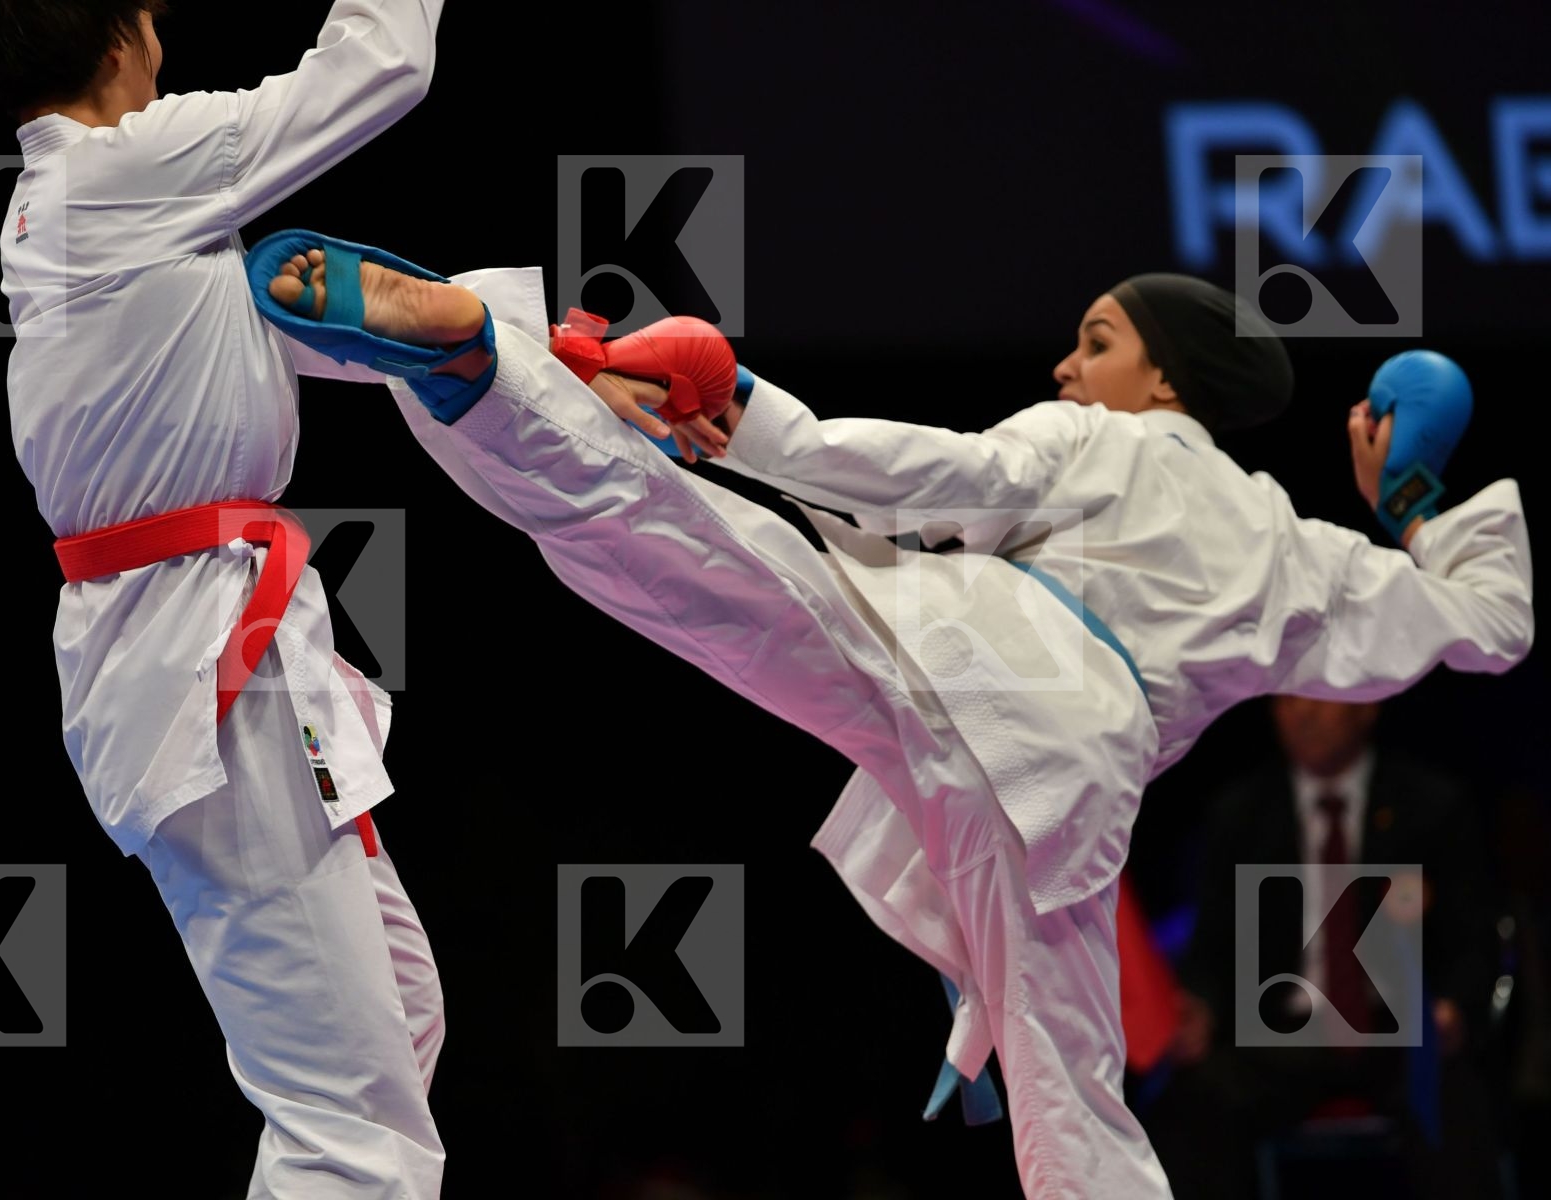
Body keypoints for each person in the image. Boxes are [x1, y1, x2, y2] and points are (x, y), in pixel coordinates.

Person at [251, 240, 1534, 1199]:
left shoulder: (1106, 442)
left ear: (1159, 381)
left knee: (695, 554)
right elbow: (1488, 625)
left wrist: (752, 410)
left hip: (970, 666)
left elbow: (943, 471)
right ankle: (485, 368)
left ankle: (485, 364)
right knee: (1077, 1099)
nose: (1064, 364)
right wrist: (1413, 497)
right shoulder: (1300, 554)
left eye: (1093, 343)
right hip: (1068, 794)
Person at [0, 4, 459, 1195]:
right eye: (149, 14)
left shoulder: (85, 206)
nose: (165, 33)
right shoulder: (123, 172)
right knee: (349, 1132)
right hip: (202, 670)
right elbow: (384, 63)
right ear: (114, 43)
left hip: (215, 649)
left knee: (395, 1021)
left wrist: (528, 353)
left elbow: (294, 324)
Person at [1152, 695, 1503, 1198]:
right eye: (1285, 698)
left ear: (1367, 703)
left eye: (1317, 695)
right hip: (1277, 1032)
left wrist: (1453, 1009)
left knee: (1453, 1096)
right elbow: (1211, 949)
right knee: (1193, 1097)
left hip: (1398, 1028)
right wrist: (1199, 1008)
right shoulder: (1241, 814)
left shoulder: (1432, 805)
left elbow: (1473, 941)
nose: (1301, 713)